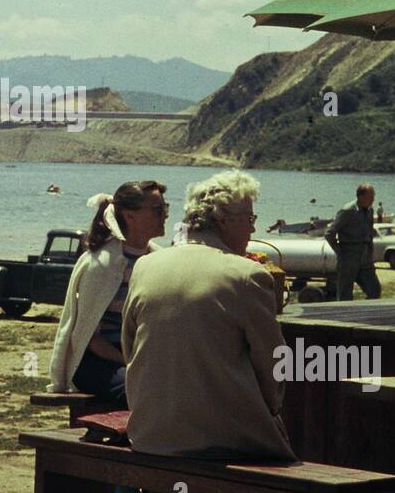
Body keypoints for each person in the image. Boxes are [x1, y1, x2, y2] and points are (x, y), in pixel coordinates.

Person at [121, 169, 294, 461]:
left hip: (149, 436)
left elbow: (129, 349)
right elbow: (275, 365)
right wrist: (271, 410)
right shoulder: (247, 276)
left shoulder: (146, 266)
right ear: (224, 220)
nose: (253, 230)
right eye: (250, 219)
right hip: (223, 441)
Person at [48, 180, 168, 407]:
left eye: (166, 208)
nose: (165, 216)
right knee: (144, 389)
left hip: (136, 356)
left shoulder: (159, 259)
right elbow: (92, 339)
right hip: (99, 361)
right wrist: (131, 360)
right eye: (158, 210)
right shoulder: (102, 265)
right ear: (130, 216)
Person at [325, 184, 381, 300]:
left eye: (373, 196)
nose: (373, 200)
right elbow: (329, 233)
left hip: (365, 257)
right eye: (370, 197)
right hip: (349, 257)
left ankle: (367, 314)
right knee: (345, 294)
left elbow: (370, 232)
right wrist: (340, 252)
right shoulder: (347, 211)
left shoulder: (370, 211)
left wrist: (370, 252)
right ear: (361, 197)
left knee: (374, 290)